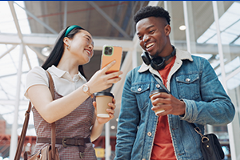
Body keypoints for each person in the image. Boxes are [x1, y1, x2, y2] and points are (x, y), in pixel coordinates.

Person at [115, 6, 235, 160]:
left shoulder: (199, 66)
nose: (145, 39)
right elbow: (126, 129)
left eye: (151, 31)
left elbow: (226, 111)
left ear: (167, 29)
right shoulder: (134, 77)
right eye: (140, 36)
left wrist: (184, 108)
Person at [24, 25, 122, 160]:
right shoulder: (39, 75)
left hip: (85, 155)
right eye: (87, 39)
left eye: (93, 45)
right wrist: (89, 88)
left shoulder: (87, 84)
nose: (91, 47)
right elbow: (49, 113)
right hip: (51, 155)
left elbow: (89, 136)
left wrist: (100, 122)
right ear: (66, 41)